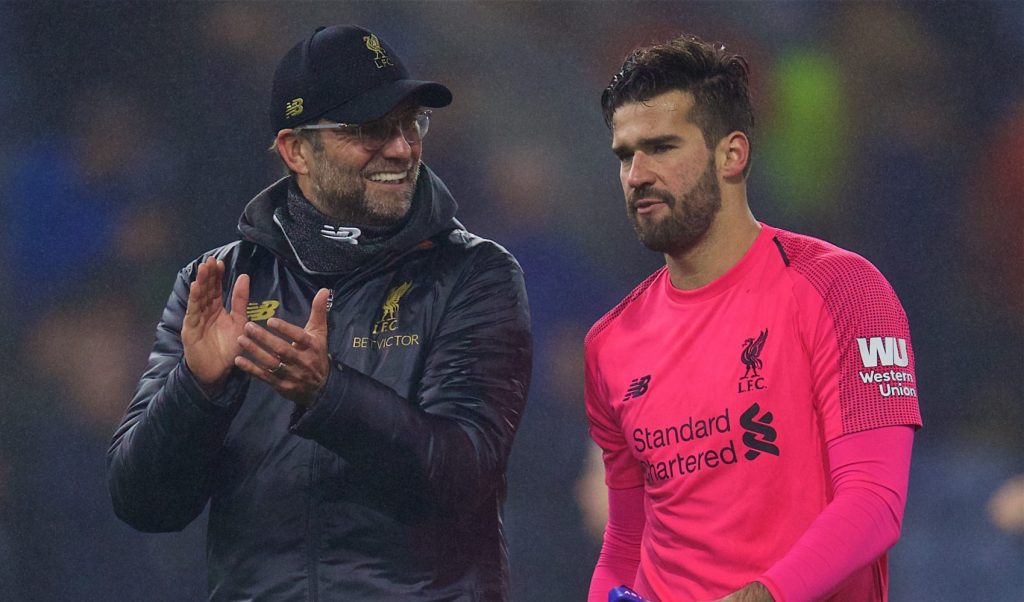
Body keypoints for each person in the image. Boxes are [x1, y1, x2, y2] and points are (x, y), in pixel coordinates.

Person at [107, 24, 531, 601]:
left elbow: (466, 477)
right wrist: (196, 388)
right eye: (369, 129)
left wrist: (329, 394)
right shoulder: (216, 283)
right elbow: (143, 503)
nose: (401, 147)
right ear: (295, 150)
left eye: (412, 124)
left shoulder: (474, 275)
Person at [584, 34, 921, 602]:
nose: (637, 173)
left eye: (662, 146)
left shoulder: (844, 290)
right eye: (624, 154)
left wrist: (763, 597)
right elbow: (626, 541)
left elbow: (874, 502)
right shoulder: (610, 343)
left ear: (732, 154)